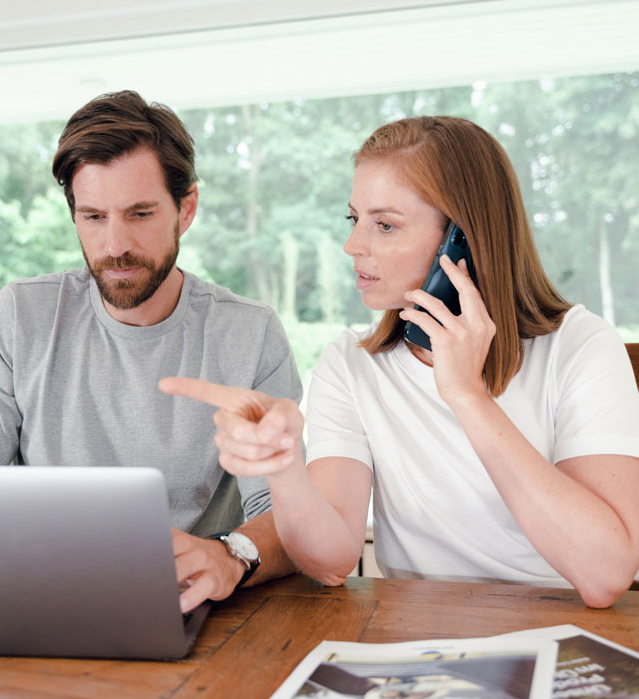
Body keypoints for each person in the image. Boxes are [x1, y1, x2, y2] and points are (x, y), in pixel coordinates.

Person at [161, 115, 639, 608]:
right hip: (414, 642)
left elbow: (604, 576)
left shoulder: (580, 346)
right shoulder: (351, 364)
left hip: (560, 635)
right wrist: (283, 470)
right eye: (355, 219)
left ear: (465, 242)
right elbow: (331, 561)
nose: (353, 246)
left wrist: (466, 395)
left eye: (385, 225)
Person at [0, 90, 302, 613]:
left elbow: (284, 515)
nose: (114, 245)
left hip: (195, 609)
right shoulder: (21, 316)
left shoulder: (249, 333)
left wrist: (231, 555)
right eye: (94, 217)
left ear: (186, 208)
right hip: (39, 599)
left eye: (140, 213)